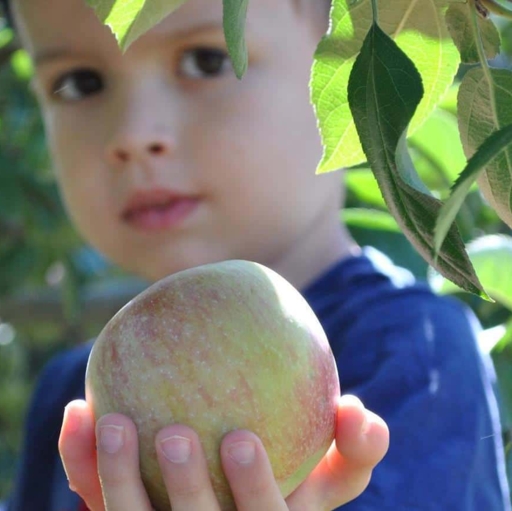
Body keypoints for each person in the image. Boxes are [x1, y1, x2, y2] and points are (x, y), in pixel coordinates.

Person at [2, 0, 510, 509]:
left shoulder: (415, 351)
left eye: (205, 60)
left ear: (352, 71)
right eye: (78, 82)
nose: (133, 136)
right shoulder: (72, 400)